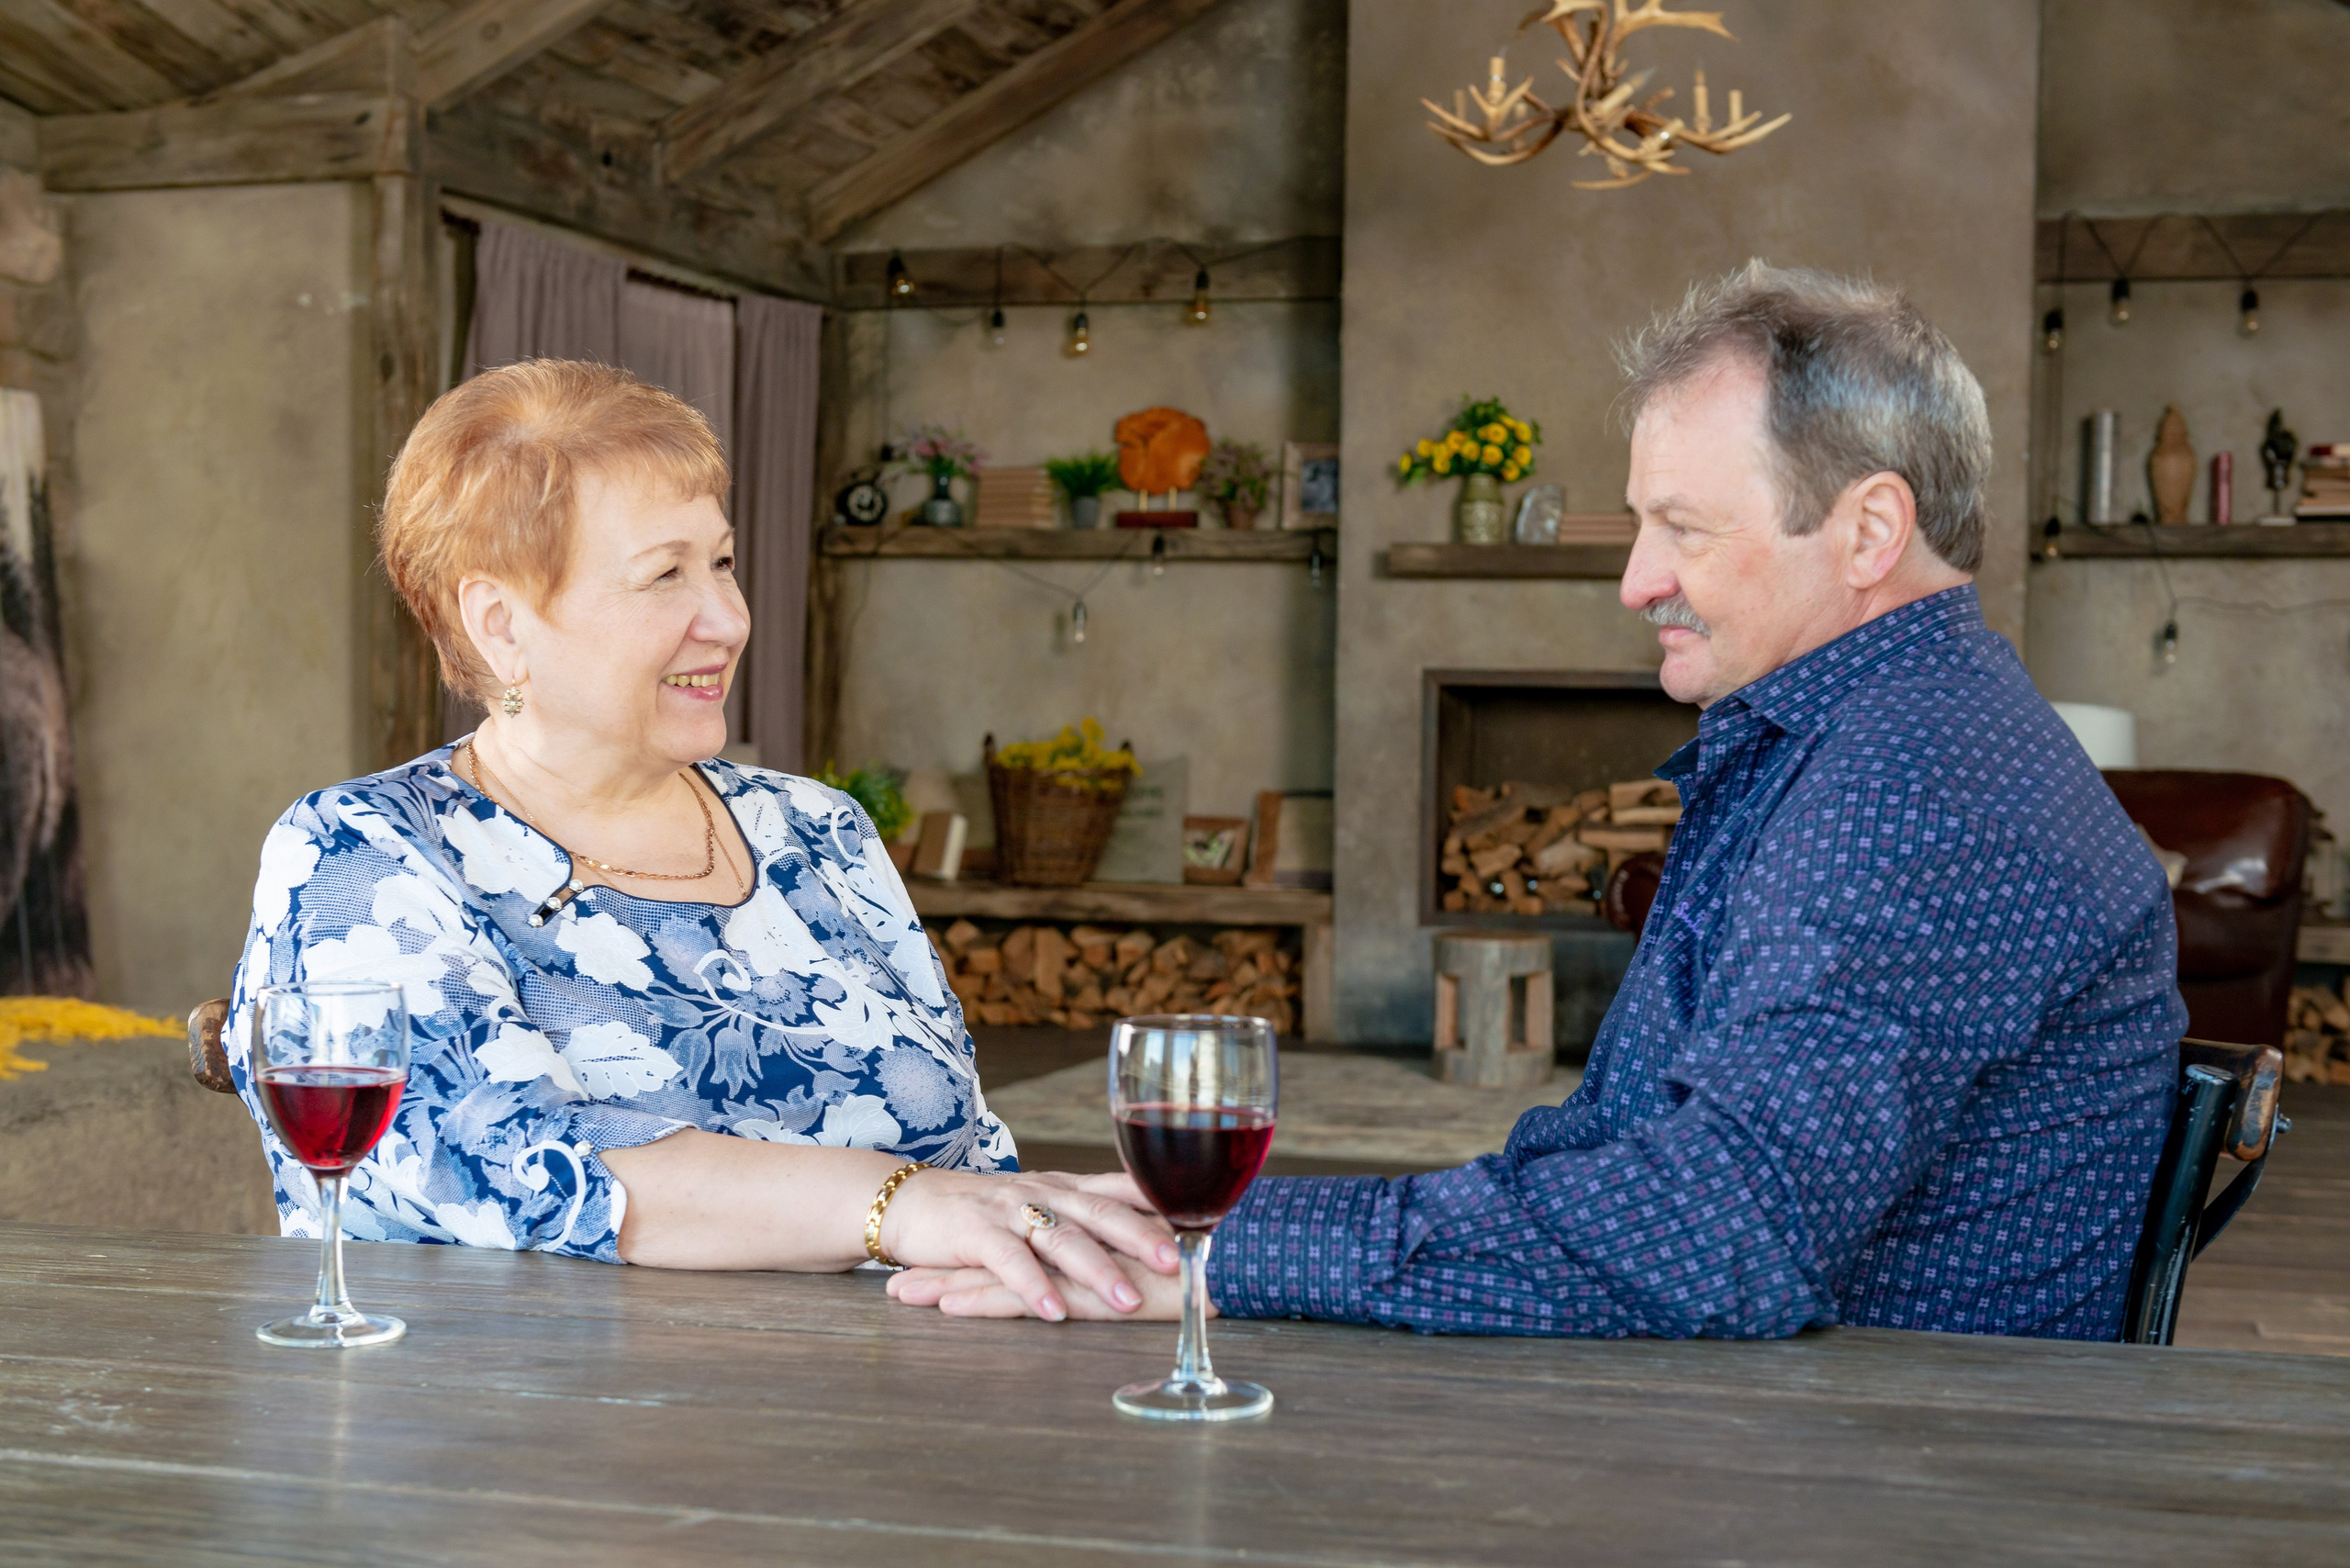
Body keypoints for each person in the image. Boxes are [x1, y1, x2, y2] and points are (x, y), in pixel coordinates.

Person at [890, 263, 2184, 1339]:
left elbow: (1713, 1237)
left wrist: (1206, 1254)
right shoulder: (1867, 733)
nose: (1635, 581)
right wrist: (1220, 1236)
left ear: (1866, 531)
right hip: (1783, 1411)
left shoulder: (1918, 784)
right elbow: (1626, 1151)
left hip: (1869, 1465)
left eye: (1684, 528)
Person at [229, 360, 1173, 1318]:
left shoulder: (816, 830)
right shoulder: (365, 852)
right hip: (526, 1437)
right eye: (663, 575)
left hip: (911, 1404)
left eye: (720, 562)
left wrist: (1062, 1259)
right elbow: (509, 1159)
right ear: (501, 624)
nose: (726, 619)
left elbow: (968, 1156)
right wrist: (897, 1206)